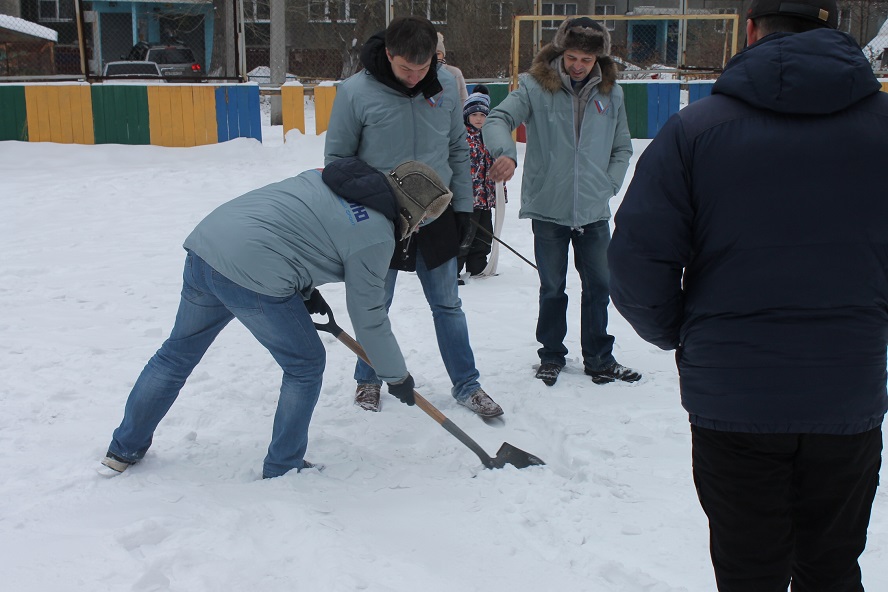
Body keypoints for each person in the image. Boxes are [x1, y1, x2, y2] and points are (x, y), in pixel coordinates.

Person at [607, 0, 888, 589]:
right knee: (832, 567)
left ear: (752, 31)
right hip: (846, 388)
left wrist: (679, 332)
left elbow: (638, 259)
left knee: (748, 571)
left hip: (734, 393)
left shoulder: (695, 130)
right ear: (834, 29)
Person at [100, 157, 453, 479]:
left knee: (175, 355)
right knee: (305, 364)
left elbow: (295, 228)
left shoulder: (328, 178)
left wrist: (305, 289)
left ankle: (123, 449)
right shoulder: (375, 235)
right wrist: (395, 375)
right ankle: (284, 465)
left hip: (207, 247)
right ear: (412, 211)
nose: (419, 228)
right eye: (423, 220)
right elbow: (369, 316)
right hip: (252, 271)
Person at [324, 15, 503, 418]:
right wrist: (354, 215)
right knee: (375, 305)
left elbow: (457, 148)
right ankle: (368, 378)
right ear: (388, 54)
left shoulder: (444, 86)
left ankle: (467, 385)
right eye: (407, 68)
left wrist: (462, 207)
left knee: (448, 305)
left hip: (436, 214)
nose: (415, 77)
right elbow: (337, 160)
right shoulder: (355, 92)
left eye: (424, 68)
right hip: (379, 218)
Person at [484, 17, 639, 387]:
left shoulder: (611, 93)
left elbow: (622, 147)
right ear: (560, 52)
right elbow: (498, 118)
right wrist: (505, 153)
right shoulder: (535, 86)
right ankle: (551, 355)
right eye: (571, 57)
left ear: (598, 59)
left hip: (593, 210)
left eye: (586, 59)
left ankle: (599, 358)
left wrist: (607, 184)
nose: (578, 65)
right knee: (552, 288)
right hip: (549, 207)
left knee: (599, 286)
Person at [456, 85, 507, 282]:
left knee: (484, 235)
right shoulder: (461, 137)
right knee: (464, 235)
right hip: (467, 198)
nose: (478, 118)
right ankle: (453, 270)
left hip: (485, 197)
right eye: (474, 114)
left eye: (483, 115)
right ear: (467, 115)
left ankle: (477, 267)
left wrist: (500, 191)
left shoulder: (490, 137)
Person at [437, 32, 468, 103]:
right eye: (431, 54)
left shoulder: (454, 72)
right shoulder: (421, 72)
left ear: (443, 55)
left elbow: (463, 99)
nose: (435, 57)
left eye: (438, 54)